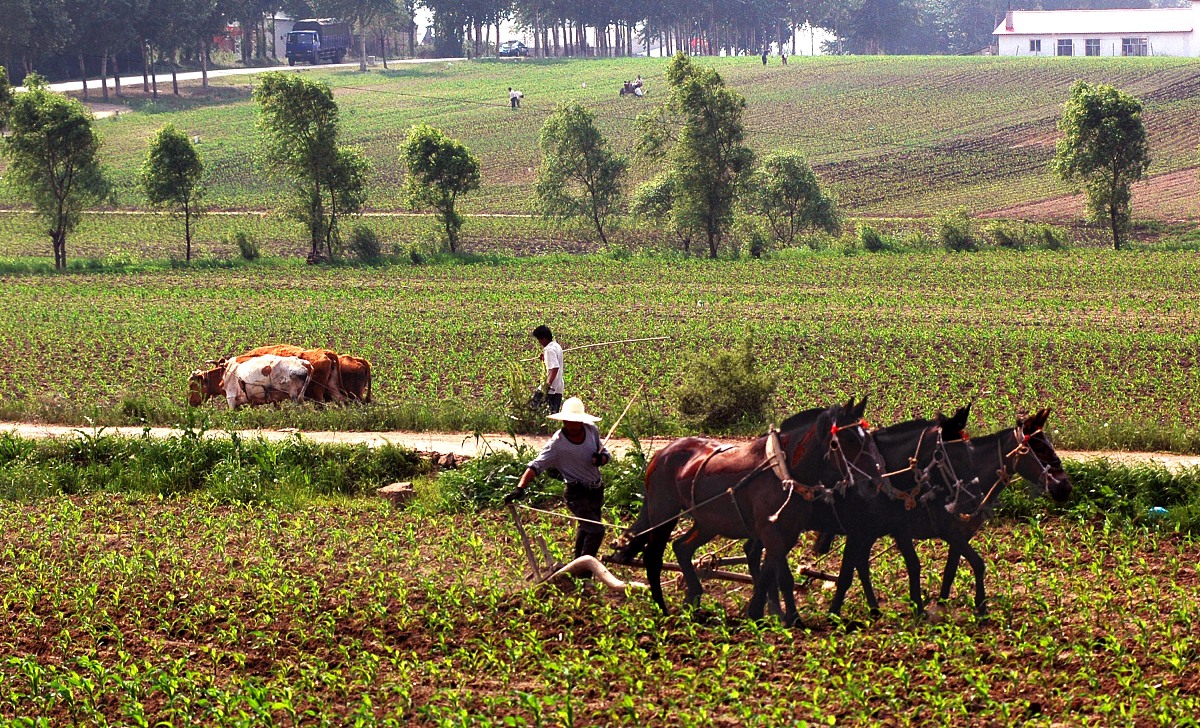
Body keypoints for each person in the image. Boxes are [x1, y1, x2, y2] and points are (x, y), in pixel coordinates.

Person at [505, 397, 612, 559]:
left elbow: (605, 454)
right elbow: (536, 466)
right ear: (563, 421)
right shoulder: (557, 444)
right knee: (596, 530)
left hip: (596, 491)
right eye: (569, 421)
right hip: (576, 493)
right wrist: (520, 488)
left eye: (576, 421)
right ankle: (585, 573)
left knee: (585, 529)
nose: (573, 425)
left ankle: (577, 565)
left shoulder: (591, 430)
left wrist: (600, 459)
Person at [532, 324, 564, 414]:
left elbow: (554, 367)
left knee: (533, 407)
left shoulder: (549, 350)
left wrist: (548, 384)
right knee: (553, 414)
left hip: (550, 387)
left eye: (539, 339)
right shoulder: (556, 346)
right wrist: (545, 359)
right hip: (558, 387)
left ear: (543, 338)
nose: (539, 342)